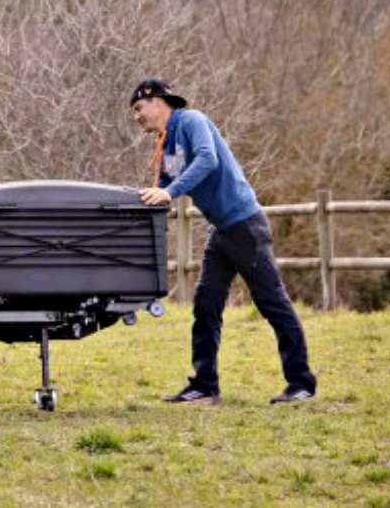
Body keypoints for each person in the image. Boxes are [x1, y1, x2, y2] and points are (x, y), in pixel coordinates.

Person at [131, 78, 318, 405]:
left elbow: (207, 160)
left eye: (138, 108)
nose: (136, 116)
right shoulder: (167, 141)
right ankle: (204, 386)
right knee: (206, 305)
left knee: (272, 303)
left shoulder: (192, 121)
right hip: (222, 231)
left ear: (158, 102)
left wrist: (169, 192)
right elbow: (164, 184)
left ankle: (301, 383)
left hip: (245, 225)